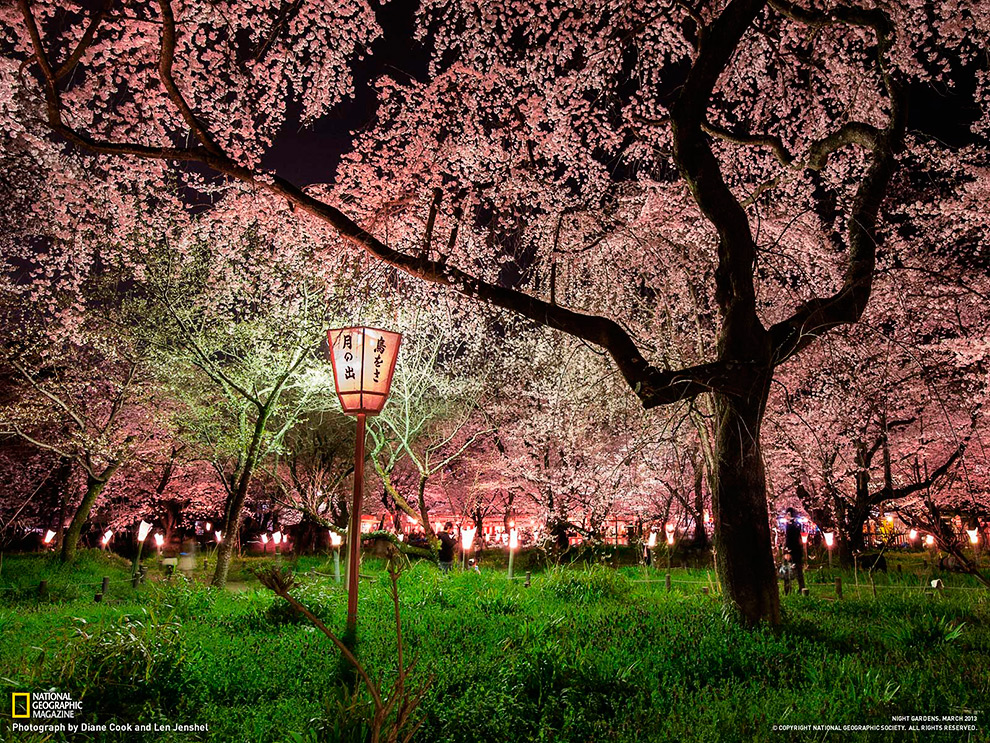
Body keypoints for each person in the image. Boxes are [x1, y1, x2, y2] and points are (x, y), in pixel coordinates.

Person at [784, 507, 806, 593]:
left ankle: (797, 588)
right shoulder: (792, 525)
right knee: (793, 570)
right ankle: (792, 588)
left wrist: (788, 550)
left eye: (789, 514)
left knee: (795, 569)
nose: (787, 516)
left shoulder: (794, 526)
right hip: (793, 550)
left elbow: (792, 539)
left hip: (794, 551)